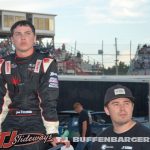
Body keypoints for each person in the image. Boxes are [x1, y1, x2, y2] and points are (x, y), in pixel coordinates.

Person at [0, 20, 60, 150]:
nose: (23, 37)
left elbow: (48, 99)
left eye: (27, 33)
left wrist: (52, 131)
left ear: (34, 38)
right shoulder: (3, 64)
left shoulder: (46, 63)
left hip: (36, 120)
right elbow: (1, 100)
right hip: (11, 120)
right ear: (12, 39)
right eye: (18, 34)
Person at [92, 84, 150, 150]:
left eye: (126, 103)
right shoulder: (100, 141)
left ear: (132, 107)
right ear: (107, 110)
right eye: (116, 104)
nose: (122, 108)